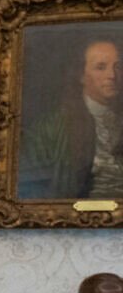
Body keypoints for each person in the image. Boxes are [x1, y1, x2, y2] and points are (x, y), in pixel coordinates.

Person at [21, 38, 123, 199]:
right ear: (81, 75)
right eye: (100, 67)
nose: (112, 75)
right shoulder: (51, 127)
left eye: (118, 67)